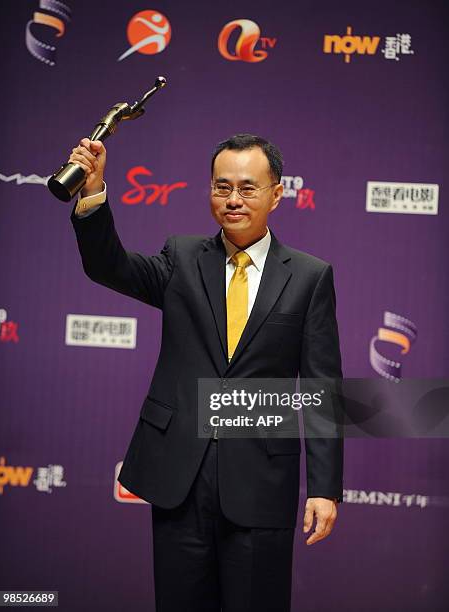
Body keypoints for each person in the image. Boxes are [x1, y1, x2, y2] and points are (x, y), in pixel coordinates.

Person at [69, 133, 344, 612]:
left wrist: (323, 488)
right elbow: (108, 266)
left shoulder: (309, 276)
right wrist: (92, 192)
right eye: (221, 187)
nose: (233, 199)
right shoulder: (181, 257)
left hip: (261, 481)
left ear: (277, 194)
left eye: (247, 187)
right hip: (180, 478)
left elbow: (321, 389)